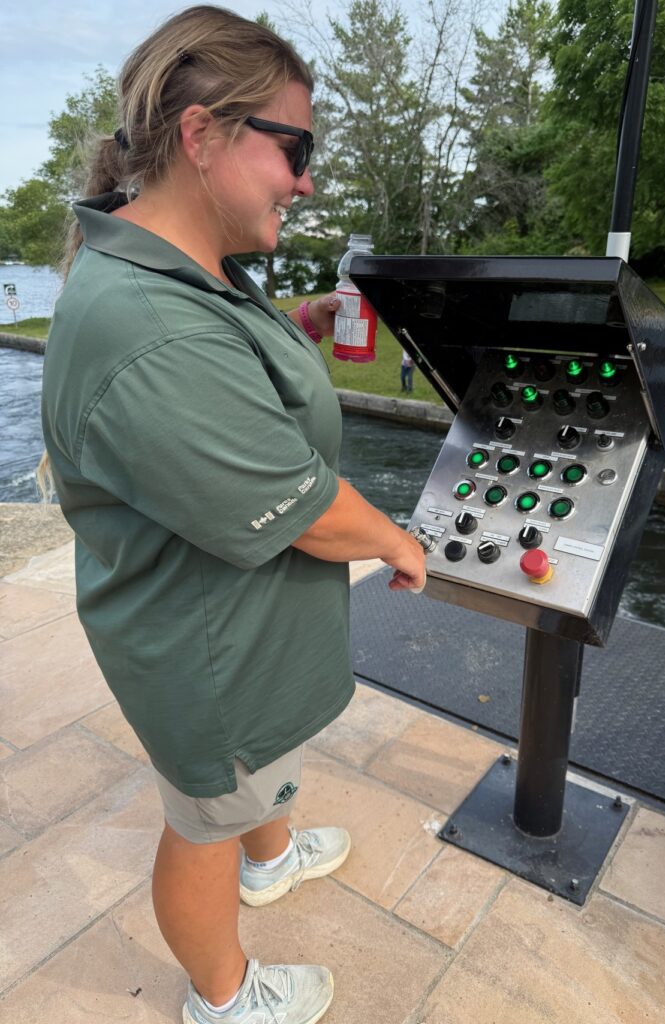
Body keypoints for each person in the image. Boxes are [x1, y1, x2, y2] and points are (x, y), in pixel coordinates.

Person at [39, 7, 425, 1024]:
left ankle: (273, 851)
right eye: (292, 149)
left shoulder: (185, 273)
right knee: (207, 814)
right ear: (203, 135)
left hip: (238, 625)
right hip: (208, 650)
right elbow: (304, 511)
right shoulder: (147, 326)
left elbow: (220, 379)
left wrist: (285, 330)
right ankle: (224, 995)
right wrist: (394, 538)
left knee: (253, 787)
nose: (304, 180)